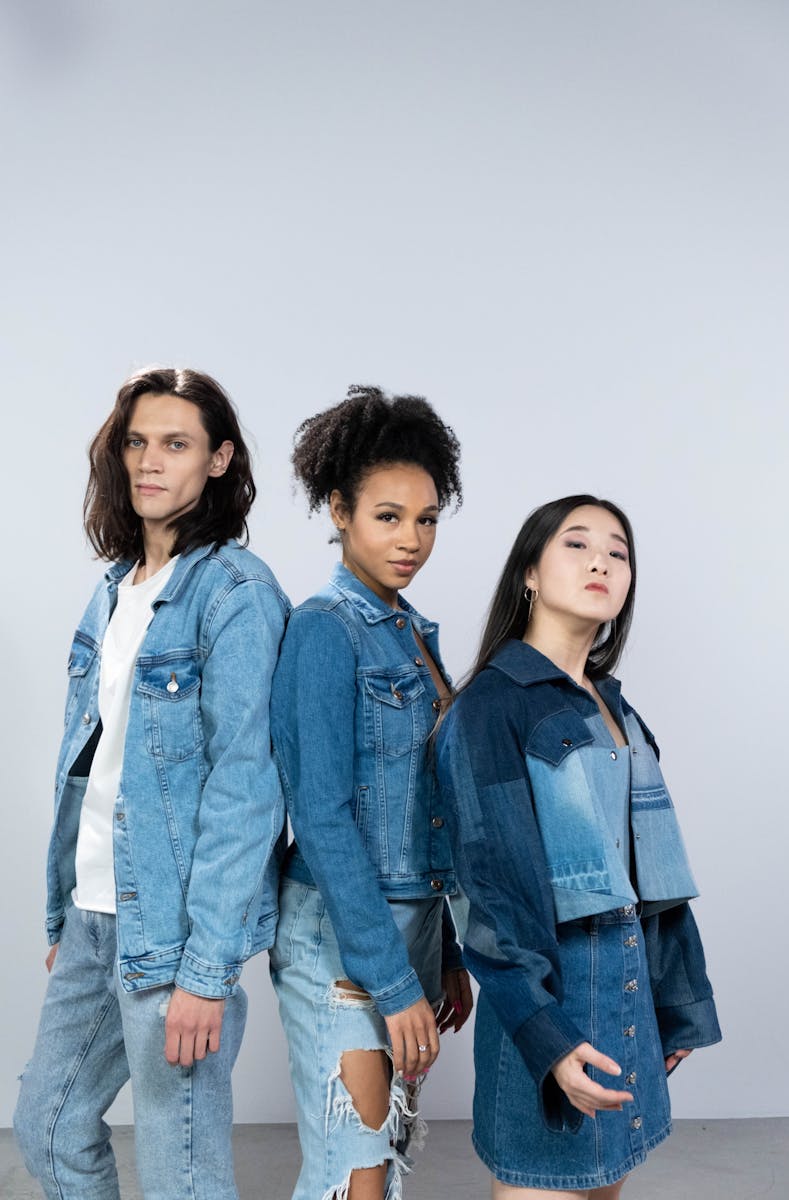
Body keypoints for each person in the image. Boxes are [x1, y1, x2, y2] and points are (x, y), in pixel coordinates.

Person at [14, 367, 290, 1200]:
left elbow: (247, 789)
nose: (150, 461)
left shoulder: (237, 593)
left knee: (183, 1176)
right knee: (50, 1130)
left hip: (172, 933)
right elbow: (90, 766)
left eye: (175, 443)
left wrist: (207, 971)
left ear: (218, 460)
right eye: (137, 441)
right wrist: (66, 906)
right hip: (94, 918)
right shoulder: (112, 591)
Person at [436, 495, 722, 1200]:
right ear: (528, 572)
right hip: (554, 996)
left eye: (618, 552)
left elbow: (651, 878)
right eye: (577, 544)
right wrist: (548, 1034)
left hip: (627, 995)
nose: (601, 560)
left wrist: (674, 1005)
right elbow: (488, 893)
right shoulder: (491, 706)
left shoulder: (615, 708)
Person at [269, 385, 474, 1200]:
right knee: (352, 1170)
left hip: (415, 927)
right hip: (342, 938)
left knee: (384, 1162)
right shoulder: (324, 629)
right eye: (389, 516)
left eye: (426, 519)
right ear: (339, 510)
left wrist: (448, 949)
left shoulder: (414, 634)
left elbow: (430, 805)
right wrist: (393, 983)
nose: (412, 539)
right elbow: (321, 818)